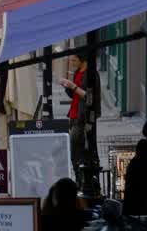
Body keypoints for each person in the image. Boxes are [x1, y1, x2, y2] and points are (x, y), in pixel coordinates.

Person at [59, 52, 101, 192]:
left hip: (84, 117)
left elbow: (90, 97)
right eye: (71, 60)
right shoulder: (78, 72)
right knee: (75, 150)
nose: (72, 63)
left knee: (79, 149)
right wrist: (68, 87)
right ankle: (79, 180)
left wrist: (73, 87)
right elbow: (75, 95)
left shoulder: (91, 74)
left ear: (82, 60)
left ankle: (85, 182)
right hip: (74, 114)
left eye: (74, 60)